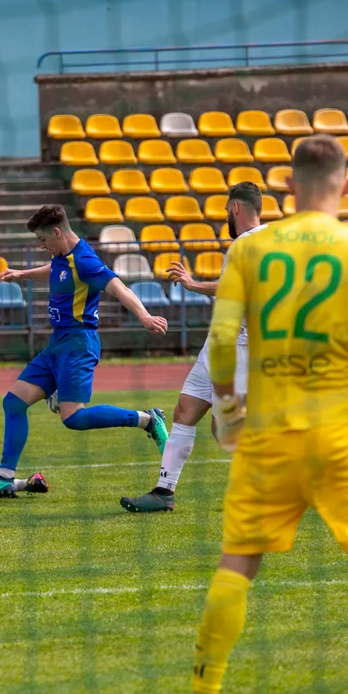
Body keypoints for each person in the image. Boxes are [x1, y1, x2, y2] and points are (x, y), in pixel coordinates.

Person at [190, 135, 348, 693]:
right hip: (344, 433)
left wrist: (229, 411)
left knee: (237, 563)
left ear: (289, 187)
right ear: (347, 183)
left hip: (268, 434)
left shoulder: (249, 250)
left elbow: (221, 345)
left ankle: (203, 686)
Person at [0, 205, 171, 499]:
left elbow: (118, 288)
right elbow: (56, 271)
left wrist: (145, 317)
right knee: (13, 402)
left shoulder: (86, 260)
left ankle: (148, 420)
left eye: (42, 239)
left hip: (78, 344)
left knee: (73, 418)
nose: (41, 245)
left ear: (57, 232)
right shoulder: (62, 257)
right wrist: (22, 274)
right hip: (57, 344)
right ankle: (4, 478)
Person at [120, 182, 264, 513]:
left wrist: (192, 284)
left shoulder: (248, 245)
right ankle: (163, 492)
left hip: (242, 347)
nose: (226, 217)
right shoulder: (264, 241)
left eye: (227, 210)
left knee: (223, 429)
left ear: (236, 208)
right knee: (185, 410)